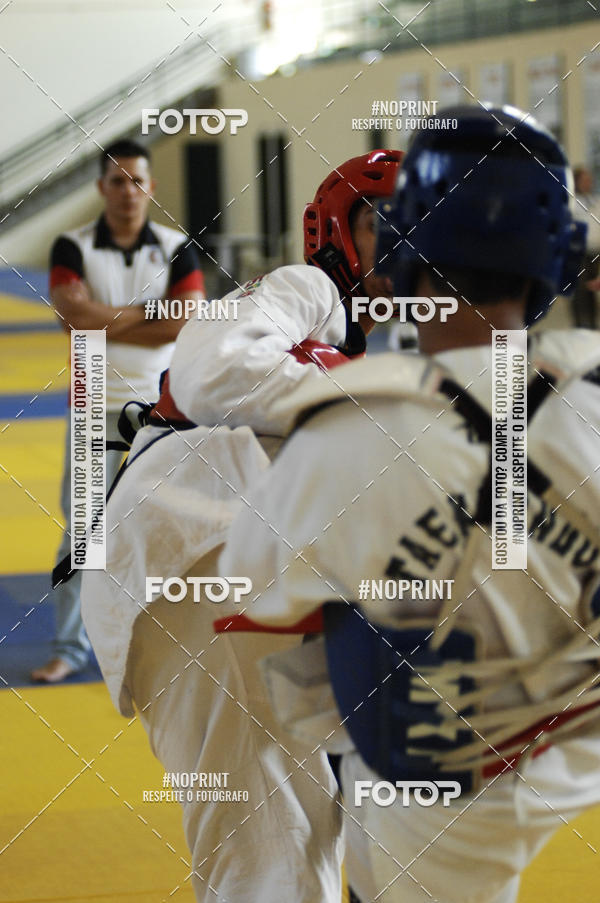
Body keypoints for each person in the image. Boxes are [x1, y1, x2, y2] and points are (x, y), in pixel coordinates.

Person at [219, 106, 600, 903]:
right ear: (556, 263)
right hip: (567, 749)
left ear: (398, 251)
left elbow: (251, 593)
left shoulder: (342, 432)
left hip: (427, 777)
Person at [80, 150, 403, 903]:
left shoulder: (374, 345)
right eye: (383, 225)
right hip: (192, 549)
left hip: (244, 575)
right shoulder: (307, 289)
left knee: (345, 801)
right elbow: (209, 371)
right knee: (272, 849)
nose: (404, 246)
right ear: (336, 231)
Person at [32, 138, 204, 683]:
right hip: (92, 408)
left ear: (151, 187)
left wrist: (108, 317)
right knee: (83, 533)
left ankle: (159, 647)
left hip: (163, 413)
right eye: (116, 181)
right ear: (101, 188)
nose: (127, 191)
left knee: (165, 529)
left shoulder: (178, 246)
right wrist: (145, 313)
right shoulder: (73, 245)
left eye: (137, 181)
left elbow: (186, 321)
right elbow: (73, 318)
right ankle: (70, 647)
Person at [571, 165, 600, 327]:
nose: (589, 182)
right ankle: (581, 326)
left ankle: (592, 326)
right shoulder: (572, 201)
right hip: (579, 253)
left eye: (590, 179)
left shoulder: (596, 200)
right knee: (580, 291)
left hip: (595, 253)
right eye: (585, 179)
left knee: (591, 291)